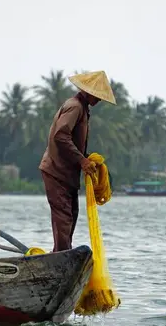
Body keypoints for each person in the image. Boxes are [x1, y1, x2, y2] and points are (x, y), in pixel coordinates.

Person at [38, 70, 117, 252]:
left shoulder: (82, 108)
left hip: (66, 173)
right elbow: (61, 136)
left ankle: (62, 253)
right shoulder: (75, 107)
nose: (98, 101)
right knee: (64, 215)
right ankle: (62, 256)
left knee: (71, 213)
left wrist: (85, 158)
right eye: (97, 96)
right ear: (88, 92)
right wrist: (81, 160)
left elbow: (71, 140)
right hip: (56, 171)